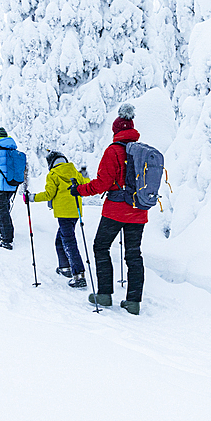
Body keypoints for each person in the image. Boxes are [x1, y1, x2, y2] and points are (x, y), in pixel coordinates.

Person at [71, 103, 145, 315]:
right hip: (138, 210)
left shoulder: (113, 151)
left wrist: (79, 190)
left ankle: (104, 294)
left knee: (101, 247)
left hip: (115, 211)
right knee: (134, 255)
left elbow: (102, 184)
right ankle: (133, 302)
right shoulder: (142, 151)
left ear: (116, 131)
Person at [27, 151, 90, 289]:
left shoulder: (53, 175)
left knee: (69, 242)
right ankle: (65, 267)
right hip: (75, 212)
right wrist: (85, 176)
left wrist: (32, 197)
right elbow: (85, 184)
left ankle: (79, 274)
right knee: (60, 239)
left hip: (63, 213)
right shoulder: (73, 171)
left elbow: (49, 194)